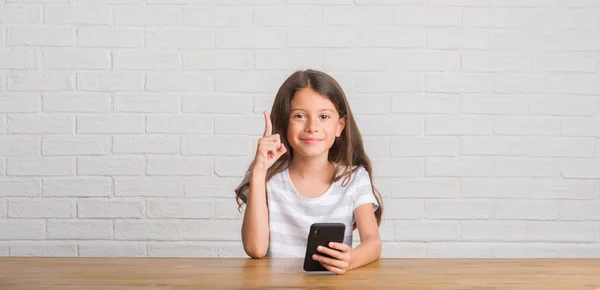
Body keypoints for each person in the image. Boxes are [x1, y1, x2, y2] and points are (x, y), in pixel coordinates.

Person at [234, 69, 383, 275]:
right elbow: (255, 249)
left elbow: (373, 243)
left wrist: (350, 260)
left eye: (324, 116)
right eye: (300, 116)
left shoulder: (354, 179)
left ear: (340, 126)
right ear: (285, 122)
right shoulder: (268, 178)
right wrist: (259, 171)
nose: (312, 126)